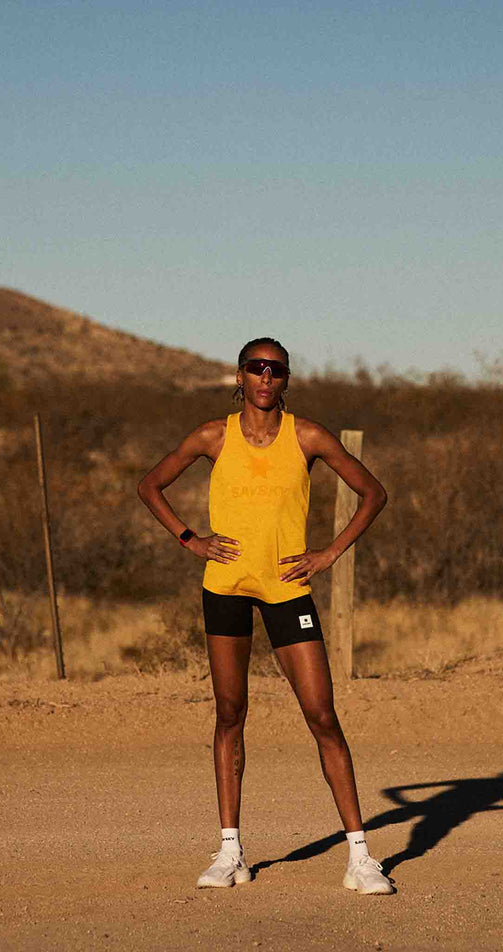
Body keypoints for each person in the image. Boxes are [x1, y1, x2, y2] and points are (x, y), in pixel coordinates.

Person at [137, 337, 393, 895]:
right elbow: (150, 484)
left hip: (287, 591)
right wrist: (189, 539)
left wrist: (329, 553)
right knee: (230, 713)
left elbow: (373, 492)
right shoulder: (213, 435)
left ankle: (360, 857)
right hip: (224, 586)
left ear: (286, 380)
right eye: (256, 368)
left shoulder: (308, 436)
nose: (265, 378)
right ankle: (230, 852)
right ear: (240, 375)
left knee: (322, 716)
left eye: (276, 370)